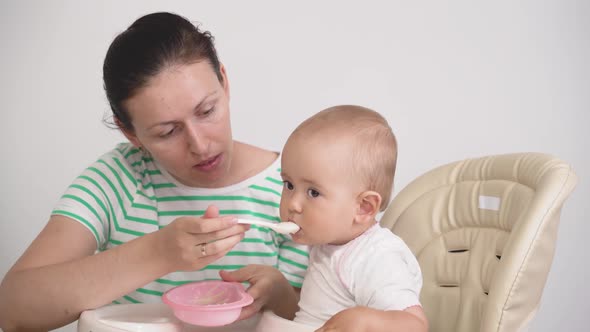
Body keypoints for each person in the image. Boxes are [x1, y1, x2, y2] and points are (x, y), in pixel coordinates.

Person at [0, 12, 308, 331]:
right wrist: (157, 253)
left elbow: (318, 319)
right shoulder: (119, 179)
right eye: (167, 131)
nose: (200, 145)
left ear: (224, 82)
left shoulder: (295, 190)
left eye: (207, 111)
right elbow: (14, 308)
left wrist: (279, 293)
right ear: (130, 133)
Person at [278, 105, 428, 332]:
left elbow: (415, 325)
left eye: (313, 193)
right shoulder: (328, 242)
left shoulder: (375, 257)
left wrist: (364, 321)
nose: (293, 204)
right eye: (289, 185)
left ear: (364, 207)